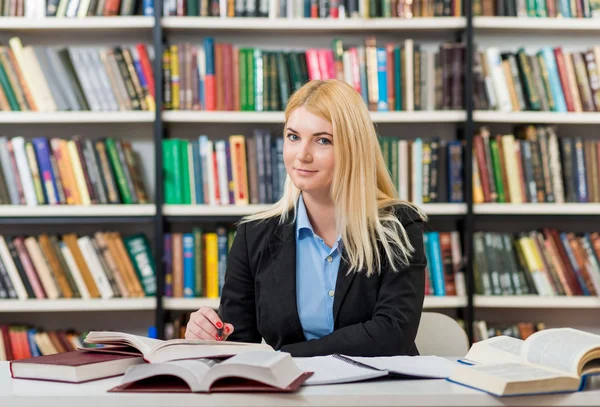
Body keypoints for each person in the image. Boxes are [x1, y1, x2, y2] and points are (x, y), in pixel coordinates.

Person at [185, 79, 428, 357]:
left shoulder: (397, 226)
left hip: (381, 392)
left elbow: (392, 334)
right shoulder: (253, 236)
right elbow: (239, 344)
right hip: (292, 396)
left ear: (353, 149)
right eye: (293, 137)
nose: (302, 155)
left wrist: (286, 356)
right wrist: (209, 336)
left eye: (323, 140)